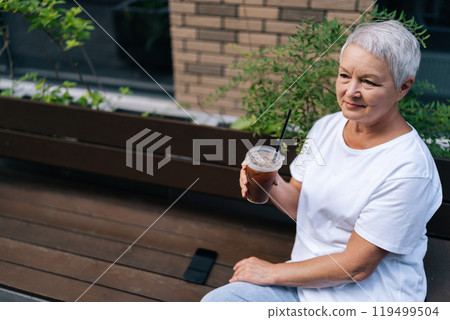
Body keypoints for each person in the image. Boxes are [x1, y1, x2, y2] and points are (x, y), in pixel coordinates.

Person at [201, 20, 443, 302]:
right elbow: (301, 202)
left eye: (368, 81)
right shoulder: (327, 127)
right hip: (307, 284)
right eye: (344, 75)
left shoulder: (409, 170)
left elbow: (357, 266)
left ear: (403, 87)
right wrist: (268, 180)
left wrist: (271, 273)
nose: (350, 91)